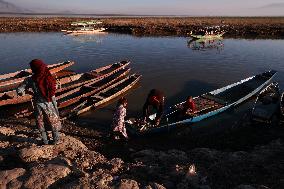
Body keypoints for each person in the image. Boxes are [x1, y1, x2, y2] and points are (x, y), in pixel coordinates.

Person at [17, 59, 61, 145]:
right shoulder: (48, 77)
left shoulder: (30, 80)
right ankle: (56, 141)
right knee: (53, 122)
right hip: (50, 103)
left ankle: (45, 141)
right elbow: (52, 93)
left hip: (38, 104)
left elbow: (19, 90)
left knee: (41, 123)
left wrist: (27, 92)